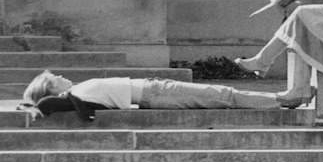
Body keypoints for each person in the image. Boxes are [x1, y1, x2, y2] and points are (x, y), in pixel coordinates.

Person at [20, 70, 285, 121]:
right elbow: (47, 103)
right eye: (56, 79)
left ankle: (281, 99)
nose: (63, 77)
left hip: (154, 89)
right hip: (156, 93)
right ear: (53, 88)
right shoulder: (71, 95)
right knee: (223, 95)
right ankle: (281, 100)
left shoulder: (76, 94)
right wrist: (34, 108)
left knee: (222, 95)